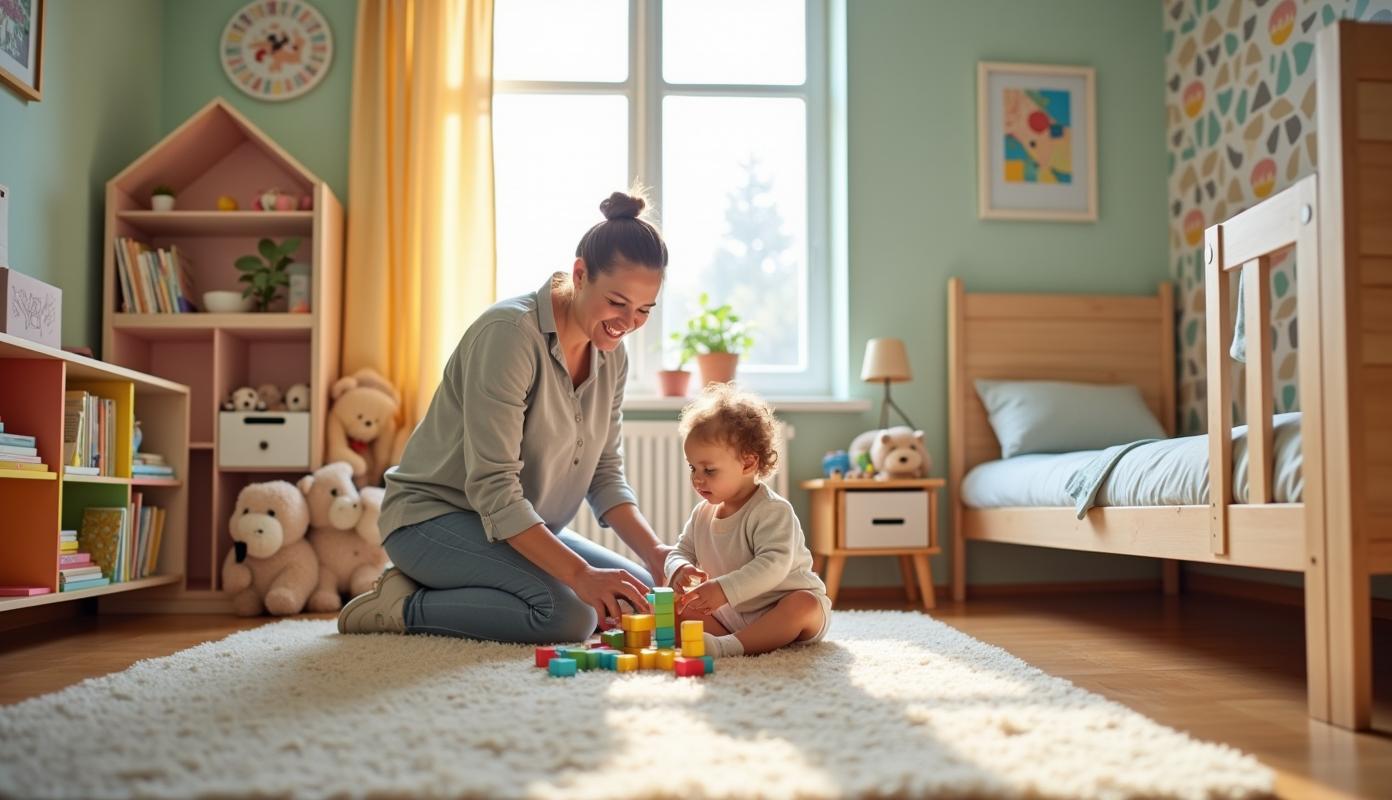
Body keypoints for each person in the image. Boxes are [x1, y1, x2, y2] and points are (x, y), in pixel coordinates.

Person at [338, 190, 672, 643]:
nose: (628, 322)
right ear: (580, 274)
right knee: (569, 615)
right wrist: (580, 577)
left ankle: (478, 586)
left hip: (511, 530)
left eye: (644, 311)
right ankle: (402, 605)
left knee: (645, 596)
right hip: (432, 521)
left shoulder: (612, 356)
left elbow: (604, 474)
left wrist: (659, 556)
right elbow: (495, 490)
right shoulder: (509, 336)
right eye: (617, 303)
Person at [666, 384, 832, 657]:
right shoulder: (702, 515)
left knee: (803, 604)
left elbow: (773, 565)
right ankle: (741, 641)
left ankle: (729, 646)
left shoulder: (772, 510)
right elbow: (679, 550)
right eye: (692, 467)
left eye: (709, 469)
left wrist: (723, 589)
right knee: (674, 605)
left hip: (785, 608)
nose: (697, 478)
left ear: (748, 464)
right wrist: (679, 568)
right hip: (732, 615)